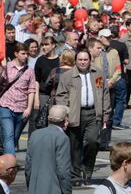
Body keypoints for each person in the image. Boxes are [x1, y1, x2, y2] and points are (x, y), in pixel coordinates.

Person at [56, 50, 111, 186]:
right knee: (75, 146)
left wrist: (106, 113)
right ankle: (75, 175)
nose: (82, 62)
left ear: (90, 60)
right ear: (75, 60)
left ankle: (87, 170)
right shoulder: (68, 76)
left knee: (92, 142)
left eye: (85, 59)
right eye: (80, 59)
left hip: (93, 114)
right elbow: (61, 96)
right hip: (74, 114)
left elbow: (104, 93)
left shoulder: (97, 73)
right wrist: (65, 114)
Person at [24, 105, 72, 194]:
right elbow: (63, 171)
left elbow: (28, 168)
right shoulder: (62, 138)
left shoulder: (35, 135)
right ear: (65, 121)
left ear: (48, 119)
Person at [0, 42, 35, 155]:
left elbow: (31, 90)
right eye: (23, 53)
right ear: (16, 54)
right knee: (8, 135)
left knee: (14, 137)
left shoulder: (30, 71)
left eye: (27, 54)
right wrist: (2, 68)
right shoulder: (7, 67)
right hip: (6, 105)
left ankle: (6, 157)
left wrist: (29, 108)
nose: (26, 56)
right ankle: (11, 166)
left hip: (22, 108)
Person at [29, 36, 60, 135]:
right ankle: (33, 145)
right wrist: (36, 98)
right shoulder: (40, 60)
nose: (43, 47)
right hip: (43, 95)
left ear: (54, 45)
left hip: (57, 95)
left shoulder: (60, 59)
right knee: (38, 122)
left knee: (54, 123)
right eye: (42, 45)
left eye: (46, 44)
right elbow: (36, 80)